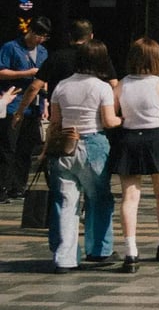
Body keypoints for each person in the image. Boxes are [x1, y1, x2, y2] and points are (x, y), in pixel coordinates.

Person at [112, 38, 159, 273]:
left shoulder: (121, 85)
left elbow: (113, 115)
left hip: (129, 140)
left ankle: (130, 251)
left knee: (129, 197)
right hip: (156, 140)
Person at [48, 40, 122, 272]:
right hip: (94, 144)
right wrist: (124, 119)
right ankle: (99, 250)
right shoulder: (102, 88)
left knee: (66, 202)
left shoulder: (61, 86)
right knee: (99, 199)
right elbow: (109, 121)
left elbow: (55, 122)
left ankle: (64, 258)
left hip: (65, 146)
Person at [0, 15, 51, 202]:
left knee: (26, 148)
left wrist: (45, 103)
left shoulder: (43, 52)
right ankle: (3, 187)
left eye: (43, 37)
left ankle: (18, 186)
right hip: (13, 102)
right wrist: (26, 73)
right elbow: (1, 72)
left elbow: (44, 81)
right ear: (29, 31)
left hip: (33, 106)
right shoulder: (10, 47)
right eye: (37, 35)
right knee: (8, 147)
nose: (39, 40)